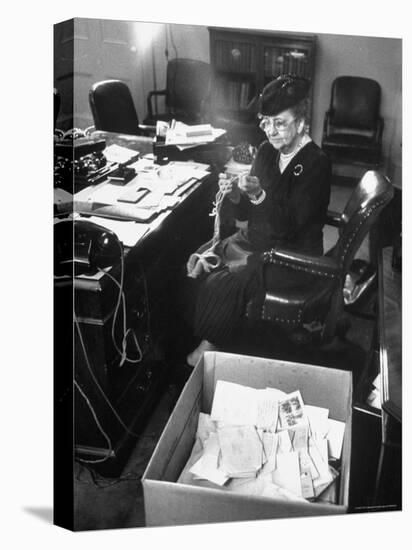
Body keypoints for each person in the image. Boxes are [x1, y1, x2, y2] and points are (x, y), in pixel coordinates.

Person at [186, 74, 332, 366]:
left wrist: (258, 196)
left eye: (281, 123)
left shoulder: (316, 163)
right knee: (203, 255)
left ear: (302, 122)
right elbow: (246, 218)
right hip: (259, 241)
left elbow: (289, 226)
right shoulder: (266, 152)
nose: (271, 131)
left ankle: (210, 348)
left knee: (223, 281)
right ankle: (227, 334)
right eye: (266, 122)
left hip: (292, 256)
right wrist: (236, 196)